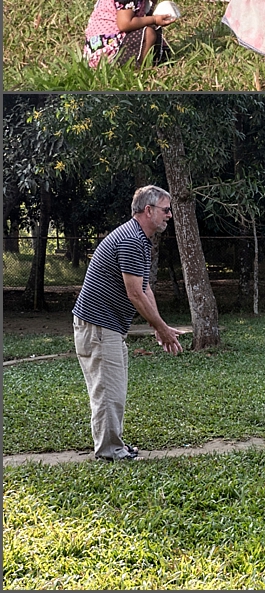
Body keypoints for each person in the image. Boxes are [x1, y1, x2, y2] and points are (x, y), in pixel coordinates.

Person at [72, 186, 183, 461]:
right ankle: (110, 452)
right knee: (108, 392)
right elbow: (134, 294)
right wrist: (161, 329)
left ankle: (114, 445)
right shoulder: (132, 240)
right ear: (148, 210)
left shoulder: (139, 240)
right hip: (98, 327)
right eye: (165, 210)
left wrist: (160, 325)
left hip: (106, 327)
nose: (169, 215)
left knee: (114, 389)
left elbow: (145, 290)